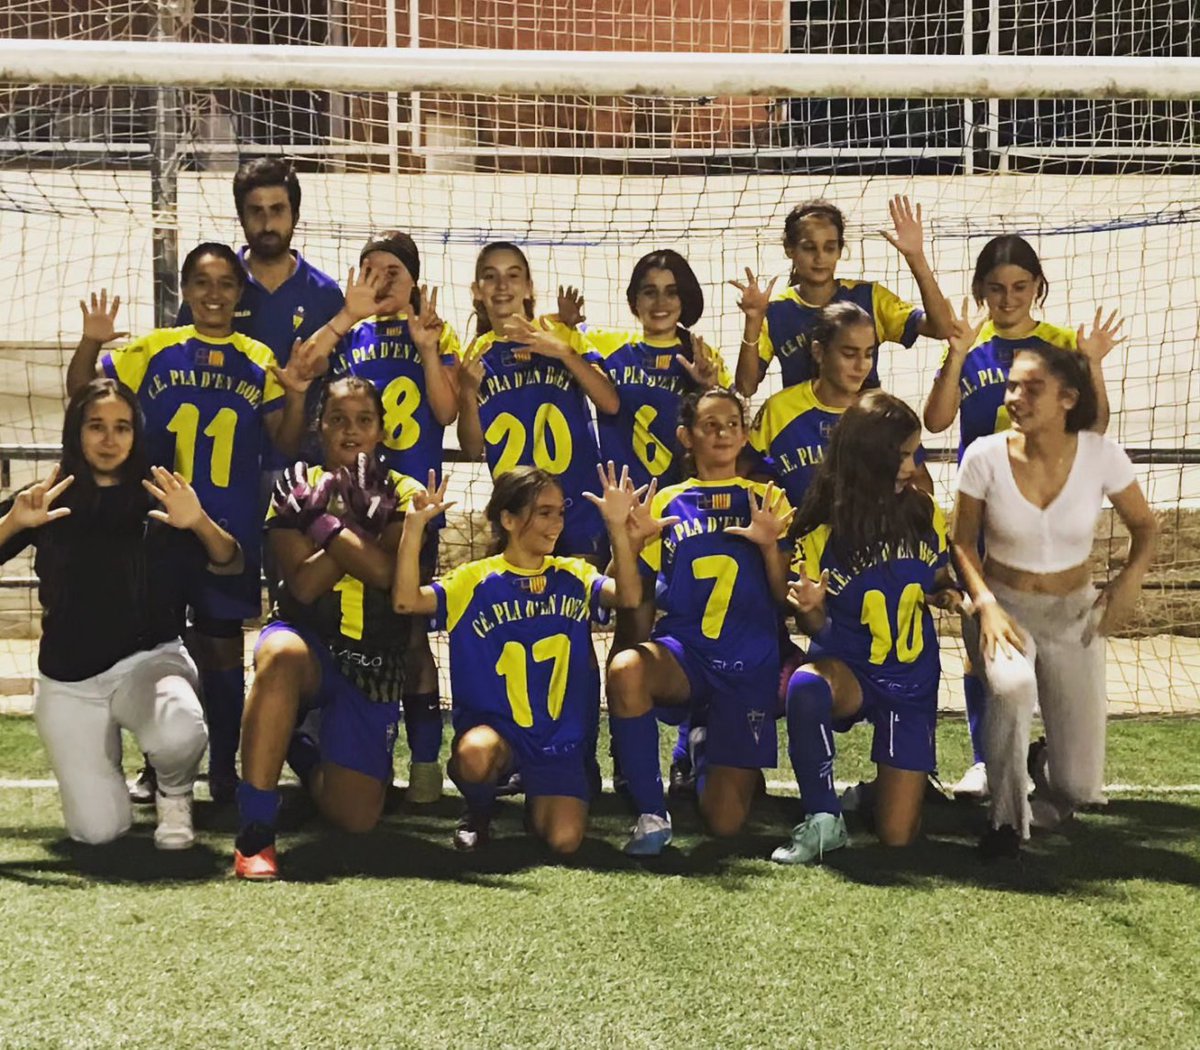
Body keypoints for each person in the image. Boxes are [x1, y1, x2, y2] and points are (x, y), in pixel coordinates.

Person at [67, 244, 319, 804]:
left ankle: (225, 766)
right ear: (185, 289)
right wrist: (91, 339)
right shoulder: (152, 349)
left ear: (239, 292)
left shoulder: (259, 358)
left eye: (225, 284)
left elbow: (285, 441)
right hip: (155, 528)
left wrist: (297, 397)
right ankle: (160, 767)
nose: (213, 294)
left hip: (225, 532)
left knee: (222, 648)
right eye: (202, 283)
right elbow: (80, 394)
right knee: (152, 647)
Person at [0, 379, 242, 849]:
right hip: (70, 679)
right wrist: (12, 523)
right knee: (97, 832)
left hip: (148, 662)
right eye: (96, 426)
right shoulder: (45, 496)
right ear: (77, 432)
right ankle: (98, 755)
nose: (109, 440)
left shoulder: (162, 494)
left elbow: (230, 562)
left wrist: (198, 522)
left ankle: (173, 794)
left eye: (121, 427)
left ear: (137, 435)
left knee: (180, 729)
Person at [923, 234, 1124, 799]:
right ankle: (990, 760)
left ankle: (1053, 757)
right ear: (981, 291)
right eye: (995, 288)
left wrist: (1092, 365)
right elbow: (937, 421)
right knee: (980, 645)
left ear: (1038, 286)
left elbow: (1094, 427)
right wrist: (958, 353)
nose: (1008, 299)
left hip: (1041, 518)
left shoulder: (1061, 346)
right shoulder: (971, 342)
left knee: (1054, 648)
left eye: (1019, 287)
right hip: (980, 520)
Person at [952, 344, 1156, 859]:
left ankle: (1045, 767)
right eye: (1012, 386)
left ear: (1067, 398)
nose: (1015, 397)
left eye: (1031, 388)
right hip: (1004, 610)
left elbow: (1146, 528)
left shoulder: (1100, 455)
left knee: (1079, 788)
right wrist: (985, 604)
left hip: (1074, 614)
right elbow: (960, 543)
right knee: (1014, 686)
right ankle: (1004, 823)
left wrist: (1128, 579)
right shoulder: (983, 457)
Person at [392, 463, 648, 854]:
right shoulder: (472, 580)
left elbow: (629, 597)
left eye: (560, 512)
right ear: (508, 519)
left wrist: (617, 528)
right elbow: (405, 600)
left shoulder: (573, 575)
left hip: (557, 744)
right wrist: (413, 530)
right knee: (476, 754)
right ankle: (478, 811)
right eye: (544, 512)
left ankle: (540, 799)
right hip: (500, 737)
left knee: (565, 841)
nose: (556, 523)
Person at [233, 376, 427, 880]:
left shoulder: (408, 495)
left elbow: (388, 577)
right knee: (279, 657)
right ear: (320, 428)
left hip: (373, 661)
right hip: (309, 643)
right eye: (338, 418)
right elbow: (302, 584)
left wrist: (323, 523)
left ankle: (301, 744)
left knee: (356, 818)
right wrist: (354, 530)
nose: (351, 430)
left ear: (382, 431)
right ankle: (255, 831)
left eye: (364, 420)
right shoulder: (293, 488)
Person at [298, 231, 460, 804]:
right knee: (333, 623)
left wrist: (428, 349)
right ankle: (333, 745)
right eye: (372, 269)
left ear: (414, 279)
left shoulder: (435, 330)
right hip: (345, 505)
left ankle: (421, 763)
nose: (383, 280)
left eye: (394, 270)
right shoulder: (347, 328)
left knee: (410, 632)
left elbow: (446, 410)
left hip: (408, 505)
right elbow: (301, 369)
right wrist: (346, 315)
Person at [607, 388, 793, 856]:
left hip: (749, 664)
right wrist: (627, 541)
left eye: (732, 423)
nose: (722, 432)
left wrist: (770, 545)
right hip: (685, 654)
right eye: (709, 425)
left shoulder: (768, 499)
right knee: (627, 668)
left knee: (726, 823)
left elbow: (782, 596)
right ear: (686, 436)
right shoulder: (666, 501)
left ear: (746, 434)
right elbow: (628, 593)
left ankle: (701, 736)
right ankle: (651, 813)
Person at [773, 391, 957, 864]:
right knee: (807, 685)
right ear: (869, 456)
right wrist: (809, 608)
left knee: (897, 835)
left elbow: (935, 578)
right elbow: (814, 622)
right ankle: (823, 818)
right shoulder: (819, 528)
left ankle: (881, 792)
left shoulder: (922, 511)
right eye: (902, 455)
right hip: (852, 669)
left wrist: (947, 593)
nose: (913, 466)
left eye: (914, 453)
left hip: (912, 683)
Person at [456, 241, 619, 562]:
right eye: (491, 277)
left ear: (529, 287)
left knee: (582, 602)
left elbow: (610, 402)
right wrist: (465, 393)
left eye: (513, 275)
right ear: (477, 290)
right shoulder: (475, 355)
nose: (502, 286)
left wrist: (564, 352)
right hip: (516, 513)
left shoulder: (560, 332)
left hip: (578, 504)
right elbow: (472, 448)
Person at [731, 196, 953, 398]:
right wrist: (753, 320)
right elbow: (745, 387)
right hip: (804, 429)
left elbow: (942, 329)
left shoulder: (868, 297)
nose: (820, 258)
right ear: (790, 249)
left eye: (829, 248)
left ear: (839, 250)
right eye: (809, 248)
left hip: (863, 425)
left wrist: (916, 258)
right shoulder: (775, 310)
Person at [748, 301, 935, 509]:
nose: (861, 365)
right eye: (849, 354)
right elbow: (748, 472)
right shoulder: (779, 410)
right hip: (794, 538)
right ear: (819, 352)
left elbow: (921, 483)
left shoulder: (884, 413)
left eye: (868, 354)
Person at [583, 249, 730, 492]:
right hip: (623, 501)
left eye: (671, 293)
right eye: (650, 292)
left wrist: (709, 387)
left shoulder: (703, 357)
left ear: (684, 299)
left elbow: (729, 432)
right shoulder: (605, 345)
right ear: (634, 301)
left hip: (684, 501)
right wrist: (567, 319)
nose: (661, 303)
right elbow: (557, 332)